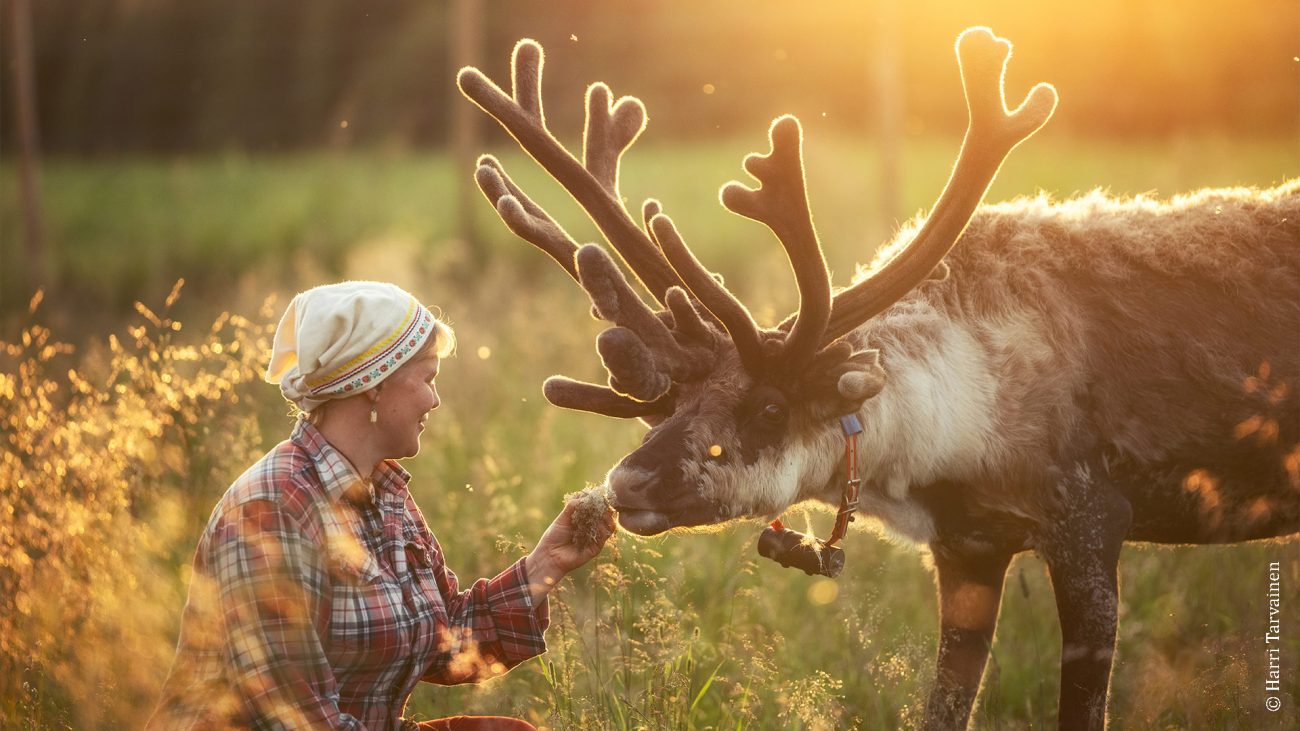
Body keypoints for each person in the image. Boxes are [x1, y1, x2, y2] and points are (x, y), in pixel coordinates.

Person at [149, 281, 614, 730]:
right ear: (374, 383)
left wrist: (544, 566)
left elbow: (446, 641)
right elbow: (294, 718)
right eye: (428, 378)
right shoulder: (272, 511)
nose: (436, 399)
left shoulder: (383, 492)